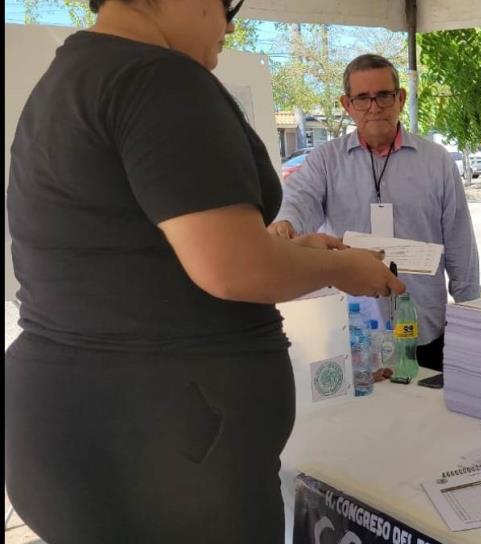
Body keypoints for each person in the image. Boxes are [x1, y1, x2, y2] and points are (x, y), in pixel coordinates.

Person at [4, 1, 405, 543]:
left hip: (91, 428)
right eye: (226, 4)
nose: (230, 24)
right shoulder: (159, 78)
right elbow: (231, 266)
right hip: (164, 456)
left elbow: (155, 248)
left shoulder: (74, 75)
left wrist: (292, 250)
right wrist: (341, 268)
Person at [268, 54, 481, 372]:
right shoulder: (326, 161)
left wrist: (471, 319)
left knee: (431, 419)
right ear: (347, 104)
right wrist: (285, 223)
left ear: (401, 98)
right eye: (362, 98)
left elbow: (461, 245)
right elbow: (299, 201)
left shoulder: (437, 162)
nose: (374, 106)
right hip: (356, 335)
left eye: (384, 95)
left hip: (425, 327)